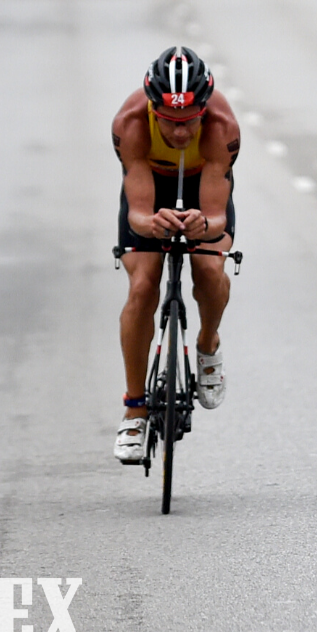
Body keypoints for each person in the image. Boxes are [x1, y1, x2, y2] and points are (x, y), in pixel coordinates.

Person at [111, 46, 240, 464]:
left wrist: (206, 227)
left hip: (205, 184)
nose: (181, 133)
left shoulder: (222, 128)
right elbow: (140, 212)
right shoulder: (130, 124)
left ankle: (207, 343)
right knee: (144, 286)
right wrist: (151, 224)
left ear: (203, 109)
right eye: (170, 121)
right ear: (153, 109)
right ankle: (134, 410)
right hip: (151, 189)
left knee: (208, 267)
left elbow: (217, 216)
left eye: (189, 122)